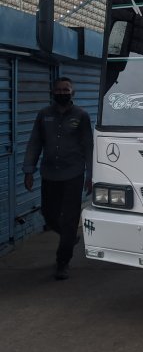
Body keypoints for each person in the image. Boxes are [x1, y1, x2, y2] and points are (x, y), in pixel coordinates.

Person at [23, 77, 93, 280]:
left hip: (74, 173)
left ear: (73, 93)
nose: (62, 92)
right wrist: (29, 171)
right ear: (53, 92)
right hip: (50, 174)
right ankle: (69, 238)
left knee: (70, 218)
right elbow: (35, 142)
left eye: (66, 89)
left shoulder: (81, 115)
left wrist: (90, 175)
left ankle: (62, 262)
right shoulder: (44, 115)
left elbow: (88, 145)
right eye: (59, 89)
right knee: (49, 214)